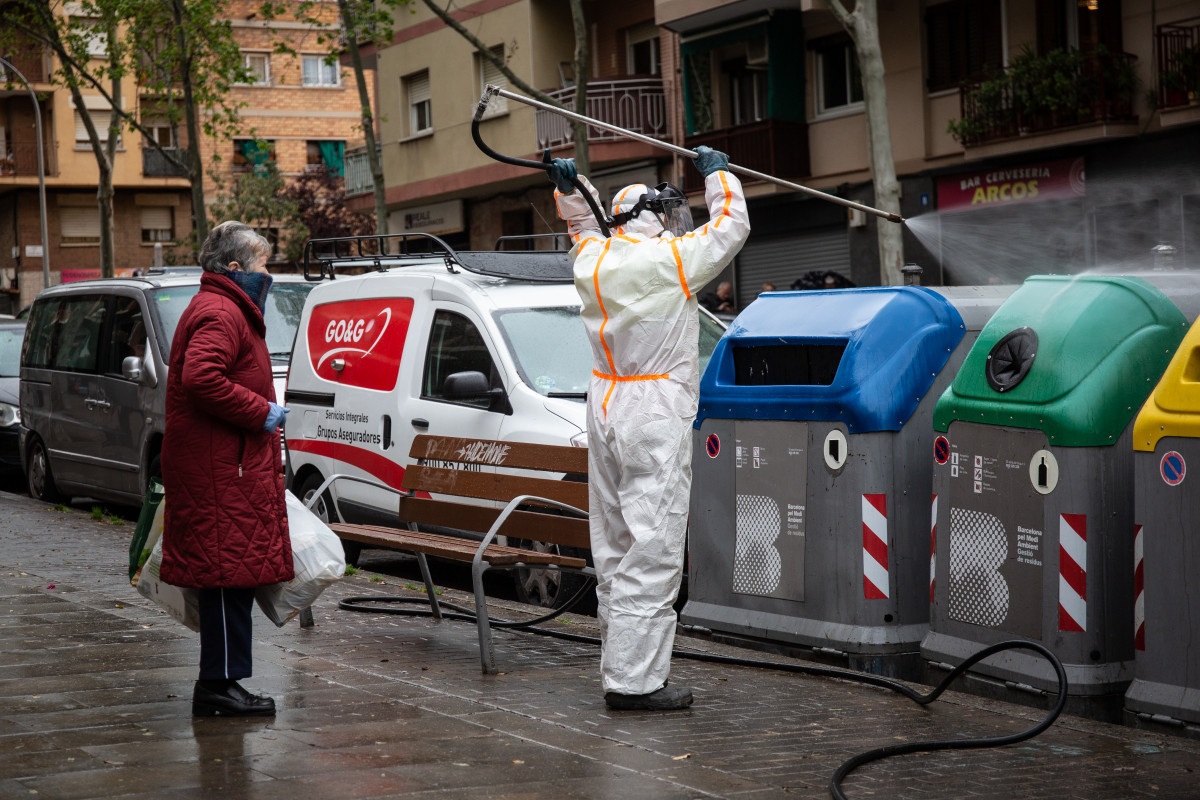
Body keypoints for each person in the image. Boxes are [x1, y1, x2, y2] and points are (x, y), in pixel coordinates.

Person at [549, 146, 750, 711]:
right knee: (654, 543)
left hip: (606, 401)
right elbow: (732, 225)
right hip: (654, 407)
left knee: (613, 542)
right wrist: (718, 175)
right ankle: (636, 683)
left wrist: (570, 187)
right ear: (655, 217)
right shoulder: (671, 260)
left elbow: (582, 222)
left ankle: (621, 665)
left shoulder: (594, 259)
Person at [160, 220, 293, 717]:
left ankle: (223, 683)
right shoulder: (222, 310)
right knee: (224, 579)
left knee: (231, 577)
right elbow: (201, 378)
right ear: (235, 268)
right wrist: (259, 412)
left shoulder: (225, 307)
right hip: (220, 470)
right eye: (261, 264)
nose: (267, 272)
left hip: (224, 466)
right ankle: (217, 687)